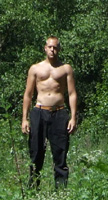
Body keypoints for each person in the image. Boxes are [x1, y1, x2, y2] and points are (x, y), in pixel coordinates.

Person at [22, 36, 78, 188]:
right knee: (36, 153)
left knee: (60, 153)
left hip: (59, 113)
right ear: (45, 48)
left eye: (55, 47)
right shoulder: (35, 69)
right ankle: (33, 189)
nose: (52, 50)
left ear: (59, 49)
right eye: (50, 47)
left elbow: (72, 94)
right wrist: (24, 119)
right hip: (39, 112)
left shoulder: (65, 69)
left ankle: (60, 191)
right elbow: (28, 94)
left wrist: (73, 118)